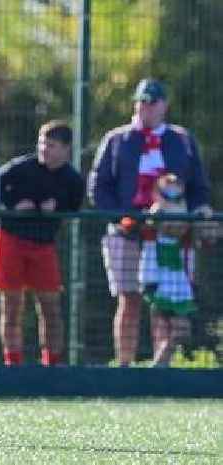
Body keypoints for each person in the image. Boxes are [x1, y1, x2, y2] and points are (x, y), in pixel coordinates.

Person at [88, 78, 212, 366]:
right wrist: (121, 217)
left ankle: (161, 367)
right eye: (142, 100)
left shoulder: (181, 139)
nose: (146, 106)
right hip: (127, 232)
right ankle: (125, 366)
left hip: (170, 235)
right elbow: (99, 186)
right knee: (129, 299)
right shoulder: (117, 139)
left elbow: (198, 186)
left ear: (165, 105)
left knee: (165, 304)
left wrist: (196, 212)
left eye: (153, 101)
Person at [0, 120, 84, 366]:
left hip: (44, 245)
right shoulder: (20, 168)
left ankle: (52, 365)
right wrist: (14, 205)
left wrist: (57, 208)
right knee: (11, 306)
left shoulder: (73, 179)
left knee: (51, 308)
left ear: (66, 149)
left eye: (51, 145)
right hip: (10, 240)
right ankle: (13, 364)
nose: (44, 149)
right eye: (42, 142)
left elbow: (73, 206)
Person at [138, 174, 195, 366]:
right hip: (160, 283)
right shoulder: (153, 237)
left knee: (181, 331)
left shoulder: (185, 237)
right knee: (165, 328)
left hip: (179, 285)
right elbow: (152, 220)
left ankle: (159, 364)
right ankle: (158, 367)